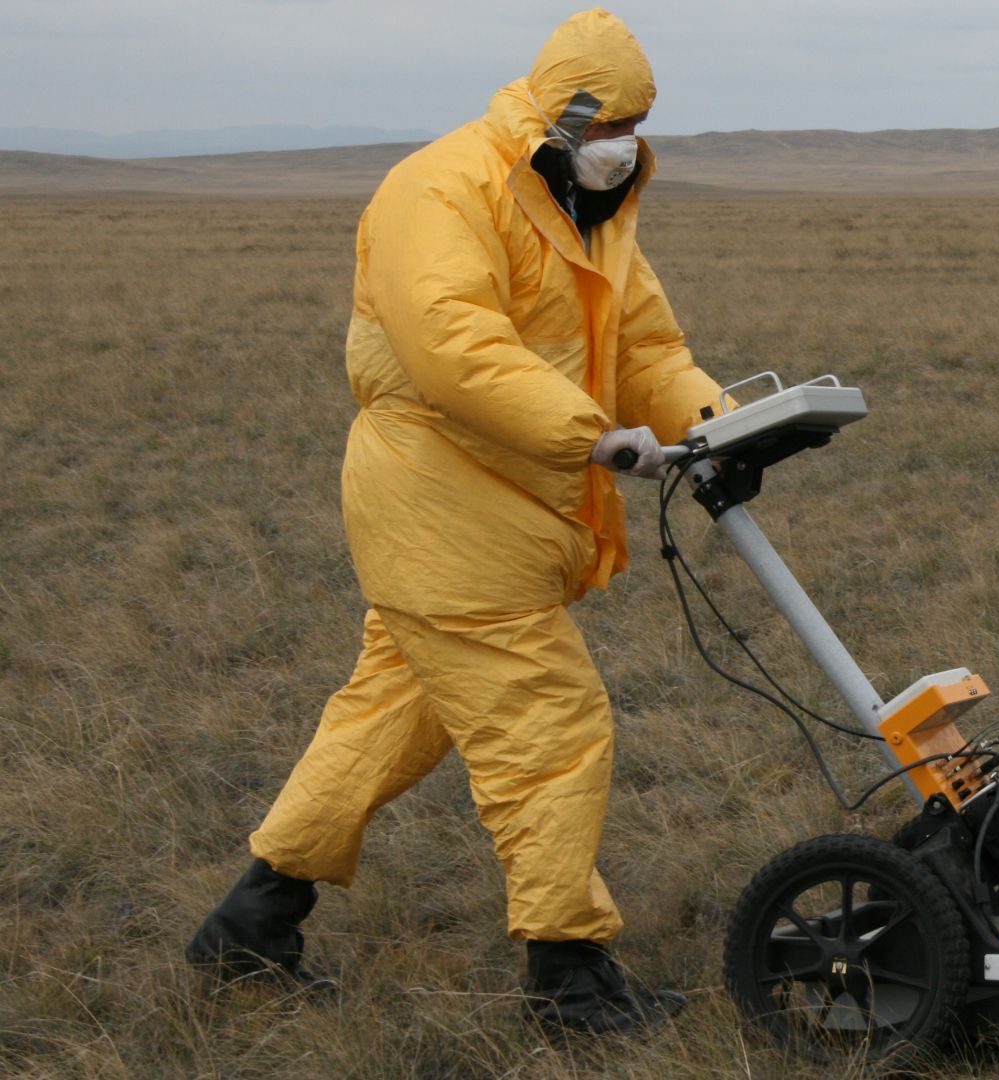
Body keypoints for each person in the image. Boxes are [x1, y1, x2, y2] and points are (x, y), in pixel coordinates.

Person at [185, 8, 723, 1036]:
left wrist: (723, 423)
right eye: (610, 119)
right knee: (551, 728)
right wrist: (594, 435)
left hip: (513, 509)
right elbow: (452, 345)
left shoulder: (590, 212)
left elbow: (647, 347)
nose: (626, 138)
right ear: (561, 113)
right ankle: (568, 980)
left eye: (640, 121)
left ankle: (248, 927)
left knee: (387, 718)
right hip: (441, 505)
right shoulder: (441, 187)